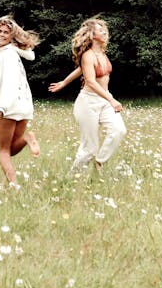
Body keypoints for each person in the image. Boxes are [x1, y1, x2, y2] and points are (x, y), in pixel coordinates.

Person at [49, 16, 126, 173]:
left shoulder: (101, 53)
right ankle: (72, 178)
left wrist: (64, 82)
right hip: (88, 103)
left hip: (104, 99)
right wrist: (111, 100)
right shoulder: (88, 55)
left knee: (119, 130)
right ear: (91, 35)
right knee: (89, 147)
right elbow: (90, 81)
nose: (104, 31)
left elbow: (80, 70)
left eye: (103, 28)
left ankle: (100, 161)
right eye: (100, 29)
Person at [0, 15, 41, 188]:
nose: (2, 34)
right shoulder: (13, 53)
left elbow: (10, 83)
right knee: (10, 149)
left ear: (12, 36)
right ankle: (27, 138)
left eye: (6, 32)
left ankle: (14, 185)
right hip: (23, 106)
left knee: (3, 150)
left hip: (9, 106)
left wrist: (1, 107)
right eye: (0, 31)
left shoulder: (7, 56)